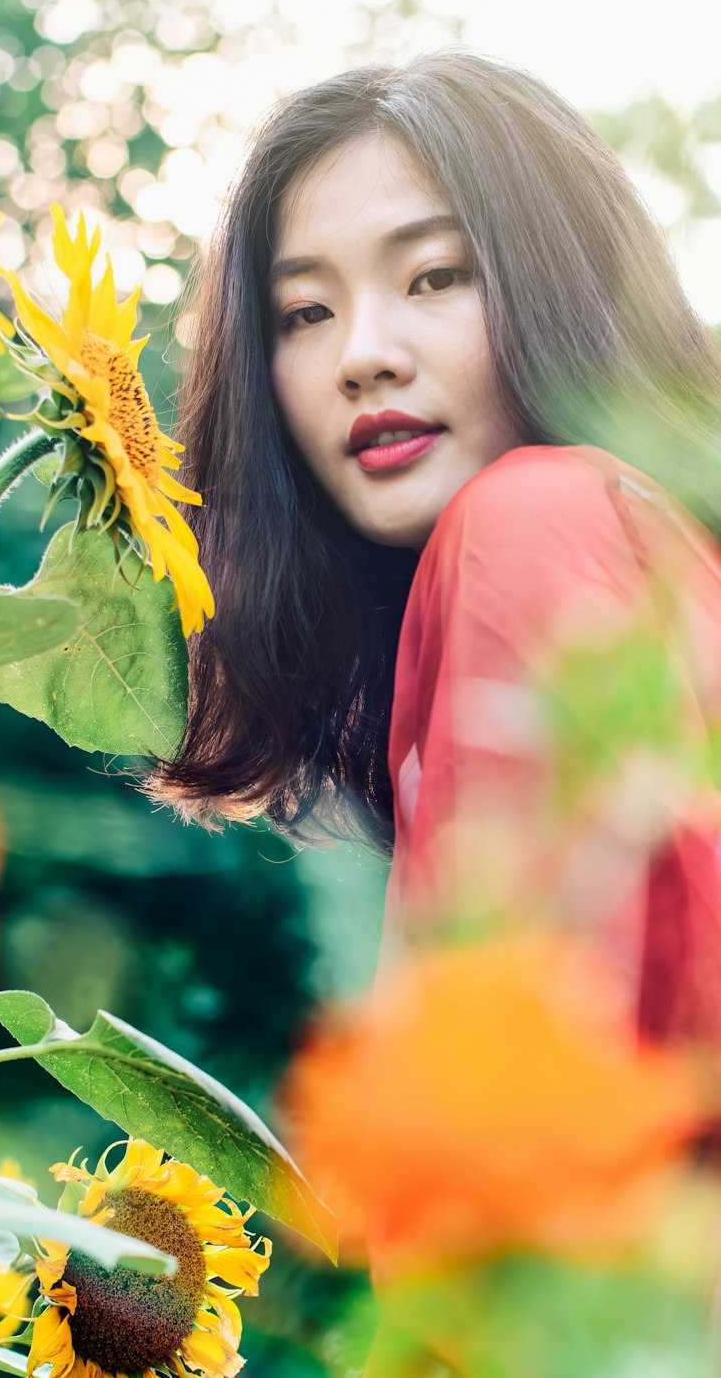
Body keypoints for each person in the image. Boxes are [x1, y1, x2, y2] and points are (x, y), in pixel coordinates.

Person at [151, 51, 721, 1045]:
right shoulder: (642, 551)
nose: (364, 354)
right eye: (305, 313)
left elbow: (518, 1095)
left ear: (566, 285)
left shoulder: (530, 517)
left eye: (435, 276)